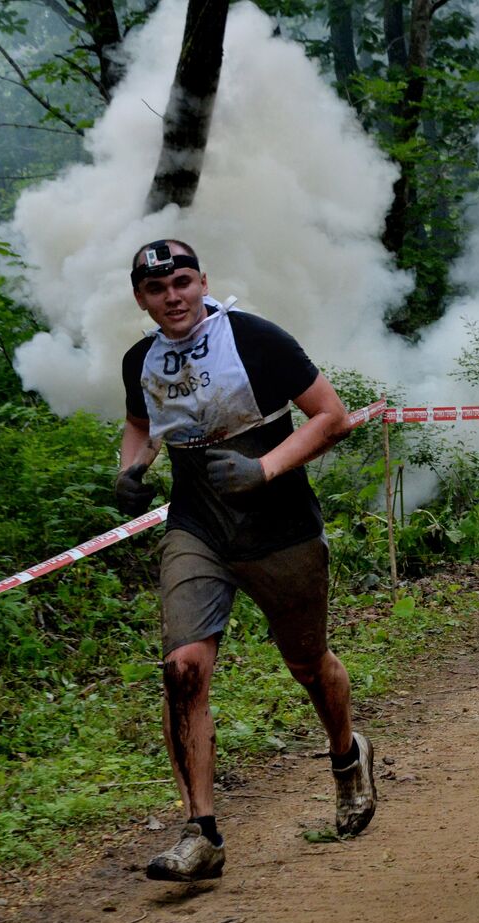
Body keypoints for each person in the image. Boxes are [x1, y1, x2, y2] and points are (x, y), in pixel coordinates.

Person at [116, 240, 375, 881]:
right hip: (197, 526)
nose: (171, 297)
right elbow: (141, 421)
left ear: (203, 281)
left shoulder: (257, 338)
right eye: (156, 289)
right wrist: (132, 468)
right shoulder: (140, 360)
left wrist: (263, 467)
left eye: (181, 282)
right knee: (182, 669)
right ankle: (200, 833)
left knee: (308, 665)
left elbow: (333, 417)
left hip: (280, 527)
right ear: (140, 298)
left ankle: (347, 757)